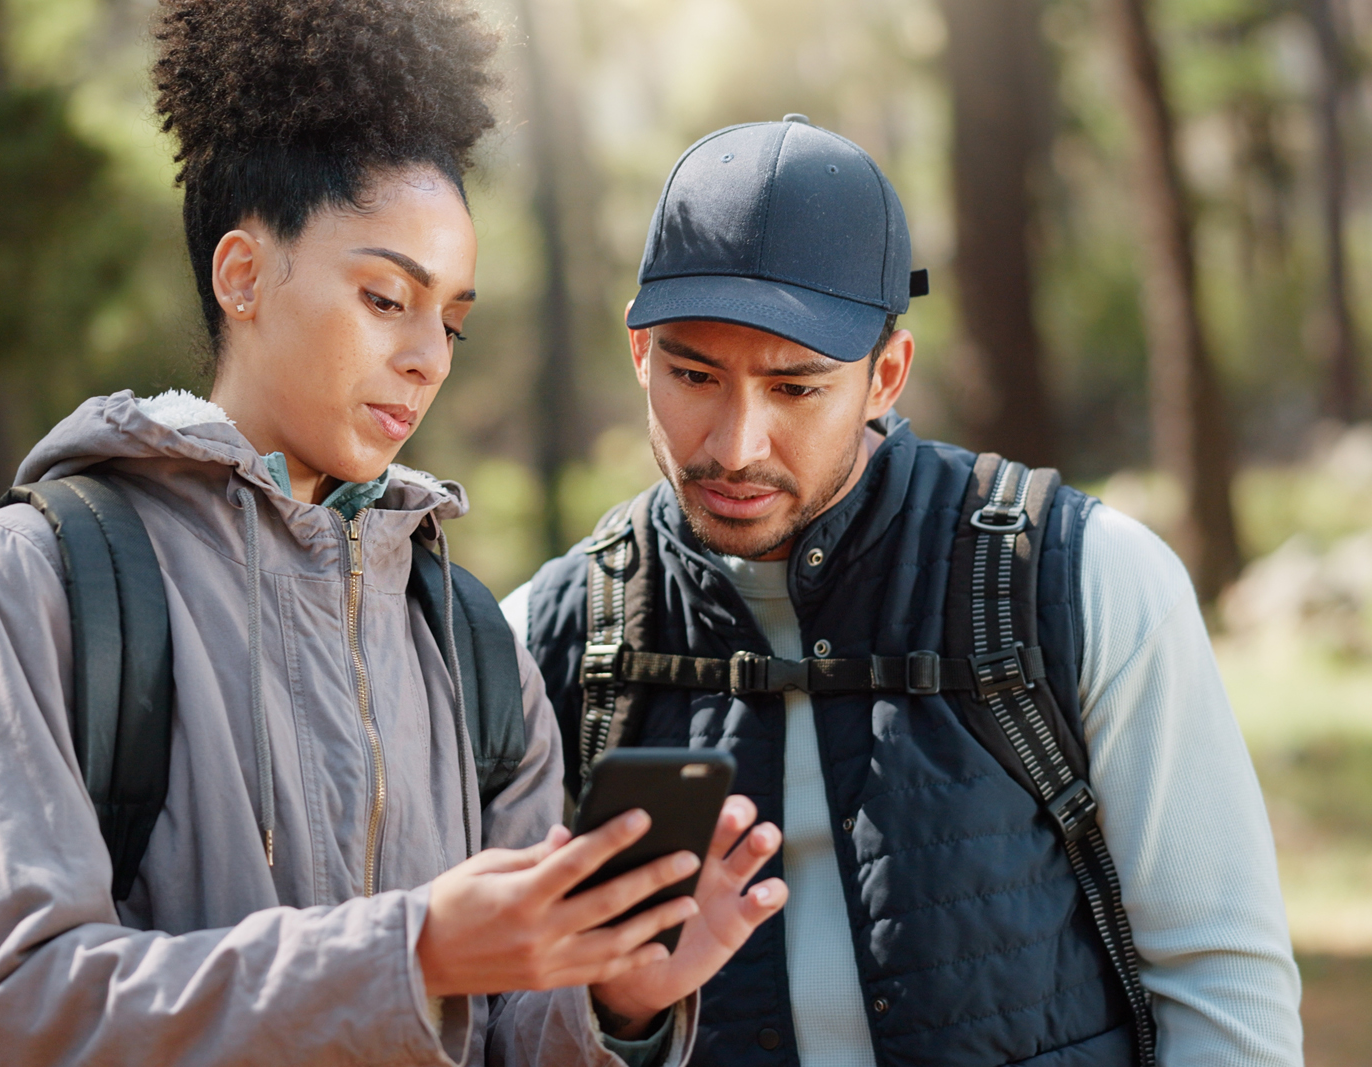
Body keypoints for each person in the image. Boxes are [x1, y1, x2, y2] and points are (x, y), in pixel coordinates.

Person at [0, 3, 790, 1064]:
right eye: (385, 297)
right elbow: (28, 1008)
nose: (429, 358)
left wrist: (613, 1002)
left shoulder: (466, 635)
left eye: (451, 319)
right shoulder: (44, 576)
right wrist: (408, 954)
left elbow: (508, 1031)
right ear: (242, 276)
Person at [503, 116, 1303, 1067]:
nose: (735, 444)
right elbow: (497, 1025)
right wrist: (623, 1018)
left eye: (796, 388)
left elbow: (1224, 989)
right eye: (693, 374)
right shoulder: (543, 637)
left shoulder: (1087, 578)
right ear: (641, 357)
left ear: (886, 376)